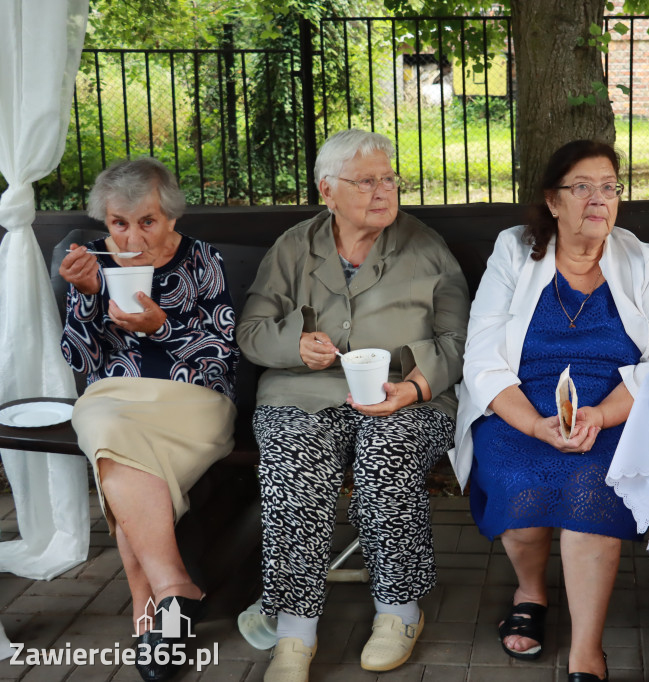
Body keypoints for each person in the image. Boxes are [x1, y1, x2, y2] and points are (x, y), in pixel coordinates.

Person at [237, 129, 469, 681]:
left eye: (389, 179)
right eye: (366, 181)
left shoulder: (426, 246)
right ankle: (295, 631)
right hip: (303, 393)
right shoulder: (295, 246)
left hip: (409, 395)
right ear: (328, 190)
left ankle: (397, 611)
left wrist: (412, 388)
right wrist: (294, 345)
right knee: (295, 464)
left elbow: (460, 341)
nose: (383, 190)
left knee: (386, 460)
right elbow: (250, 330)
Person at [454, 140, 649, 682]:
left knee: (593, 483)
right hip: (521, 404)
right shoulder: (514, 251)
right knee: (519, 476)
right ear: (552, 202)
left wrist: (604, 415)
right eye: (582, 187)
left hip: (614, 406)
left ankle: (586, 647)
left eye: (608, 187)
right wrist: (535, 422)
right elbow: (484, 357)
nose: (598, 199)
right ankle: (532, 590)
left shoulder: (642, 259)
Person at [60, 158, 239, 682]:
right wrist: (87, 298)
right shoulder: (89, 262)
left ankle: (147, 608)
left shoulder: (204, 259)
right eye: (119, 223)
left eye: (148, 221)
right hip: (113, 397)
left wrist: (161, 327)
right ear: (105, 221)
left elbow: (221, 353)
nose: (132, 235)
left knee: (114, 448)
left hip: (194, 401)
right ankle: (173, 589)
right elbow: (78, 360)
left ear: (171, 218)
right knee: (107, 426)